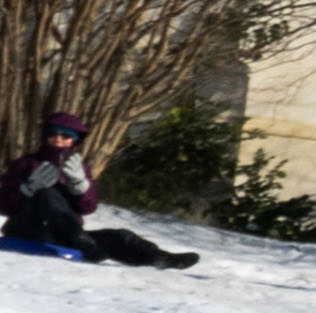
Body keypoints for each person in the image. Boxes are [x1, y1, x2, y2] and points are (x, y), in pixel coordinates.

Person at [7, 112, 198, 268]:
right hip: (28, 228)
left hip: (67, 234)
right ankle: (83, 244)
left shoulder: (79, 167)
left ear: (73, 141)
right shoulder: (25, 164)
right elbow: (4, 204)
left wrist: (80, 186)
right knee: (46, 194)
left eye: (65, 136)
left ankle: (160, 258)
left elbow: (88, 207)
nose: (58, 140)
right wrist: (28, 189)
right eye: (53, 134)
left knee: (119, 237)